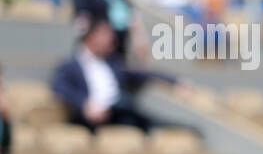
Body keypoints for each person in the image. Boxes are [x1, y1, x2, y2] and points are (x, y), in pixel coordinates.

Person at [49, 16, 183, 132]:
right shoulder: (70, 65)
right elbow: (59, 87)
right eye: (105, 34)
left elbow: (141, 73)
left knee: (140, 118)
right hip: (92, 117)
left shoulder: (112, 62)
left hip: (120, 110)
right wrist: (85, 103)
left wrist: (173, 81)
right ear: (91, 36)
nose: (111, 39)